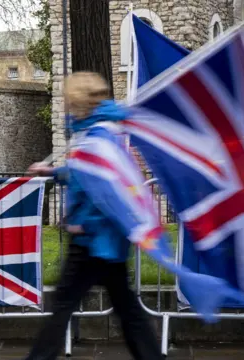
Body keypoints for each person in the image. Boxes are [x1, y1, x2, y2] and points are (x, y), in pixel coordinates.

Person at [25, 72, 163, 360]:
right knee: (127, 310)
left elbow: (103, 190)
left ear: (79, 101)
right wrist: (50, 172)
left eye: (69, 99)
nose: (65, 105)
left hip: (91, 240)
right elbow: (85, 175)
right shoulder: (98, 132)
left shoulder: (97, 136)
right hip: (106, 242)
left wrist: (79, 222)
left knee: (63, 306)